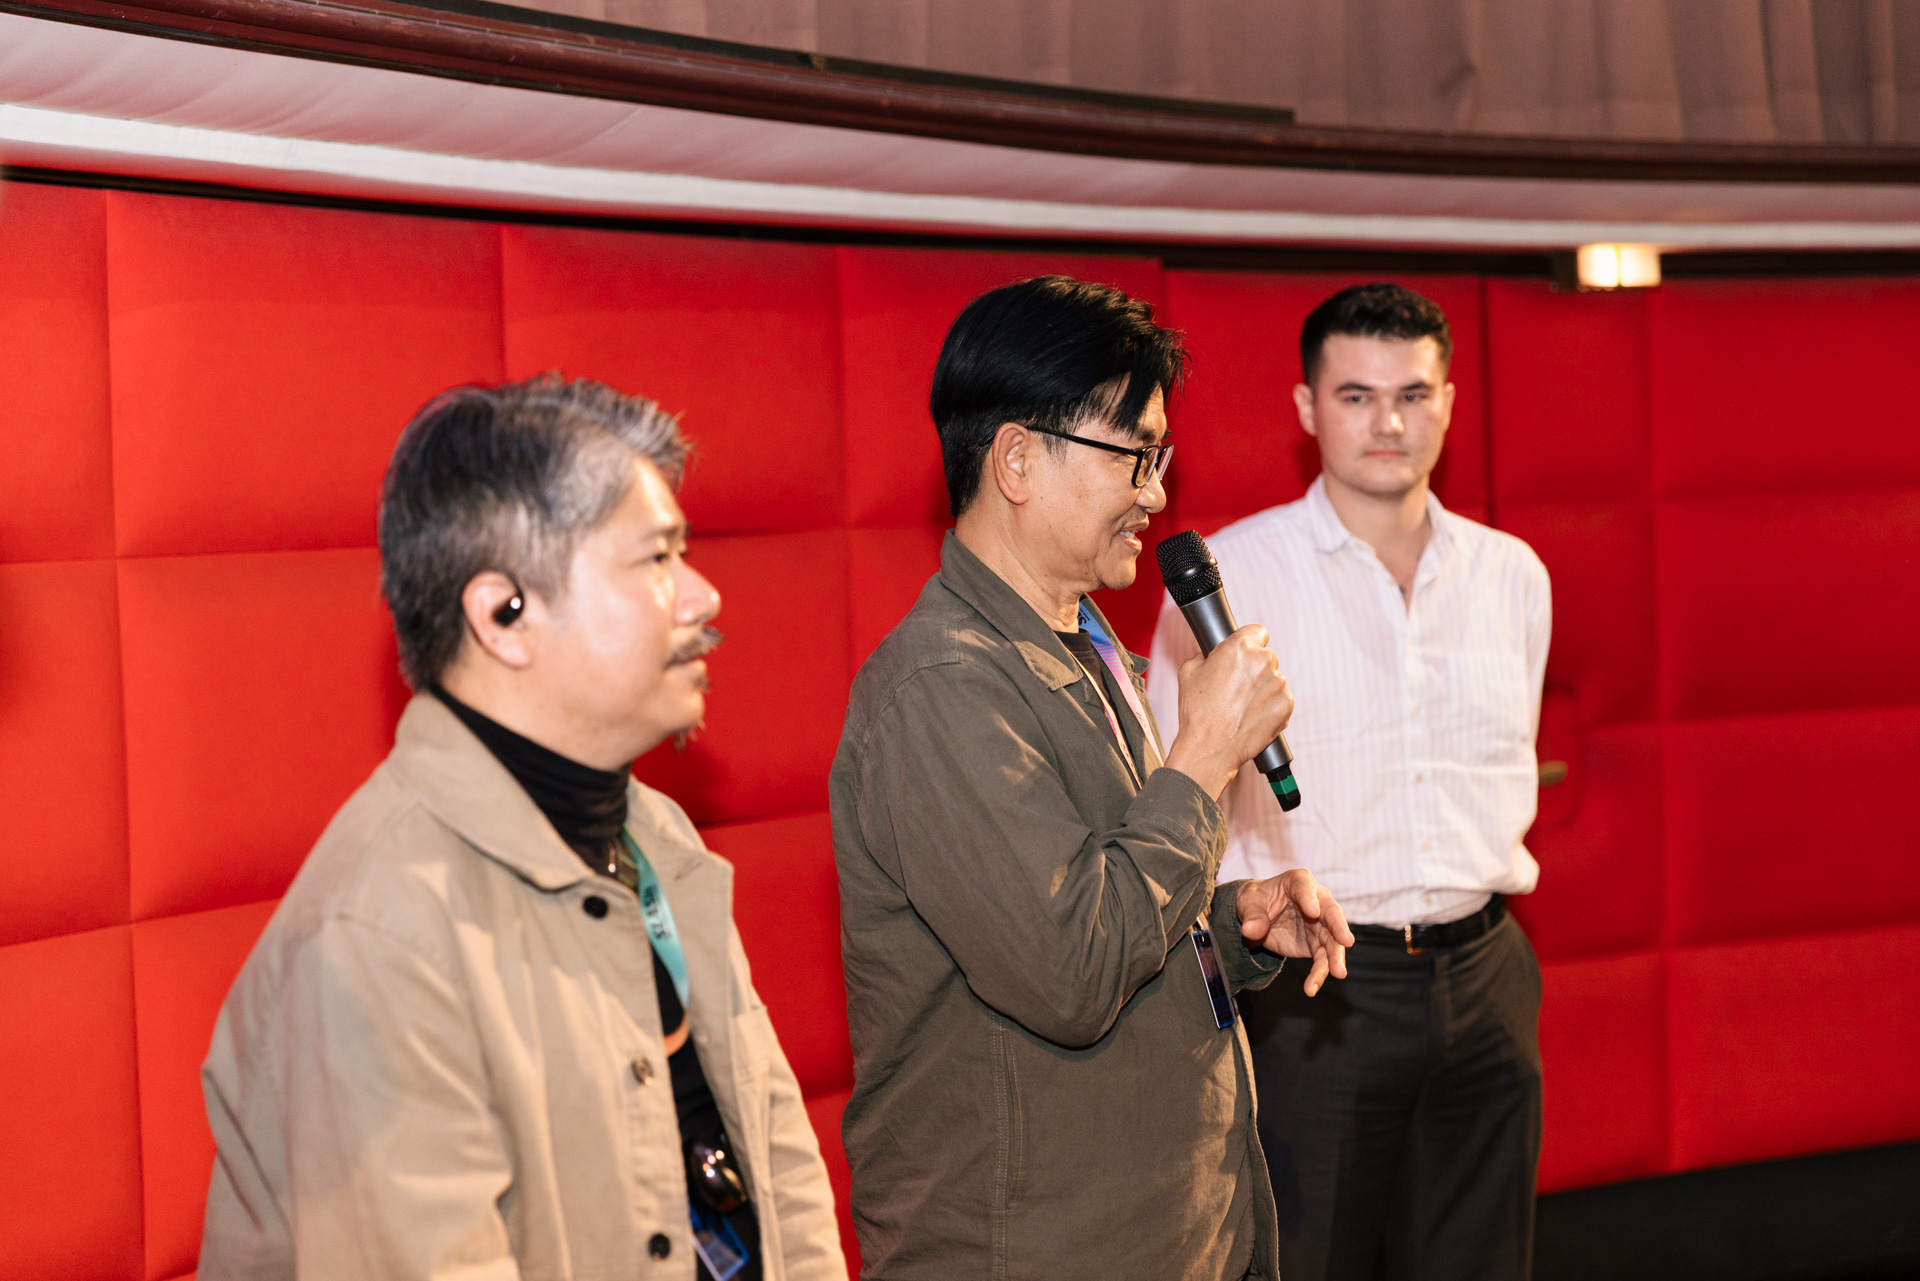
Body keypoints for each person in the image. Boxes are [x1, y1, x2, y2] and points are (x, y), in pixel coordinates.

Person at [198, 375, 846, 1281]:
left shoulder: (655, 834)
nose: (703, 597)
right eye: (657, 559)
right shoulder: (378, 933)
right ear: (504, 613)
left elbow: (777, 1169)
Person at [830, 276, 1355, 1281]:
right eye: (1133, 457)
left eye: (1161, 458)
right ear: (1017, 461)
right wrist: (1205, 753)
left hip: (1170, 1231)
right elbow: (1069, 973)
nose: (1156, 495)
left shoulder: (1083, 640)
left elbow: (1107, 892)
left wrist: (1230, 920)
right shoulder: (942, 686)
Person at [1147, 283, 1551, 1281]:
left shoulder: (1514, 574)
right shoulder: (1231, 580)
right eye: (1358, 396)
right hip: (1316, 987)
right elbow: (1174, 799)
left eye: (1412, 395)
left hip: (1487, 972)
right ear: (1306, 407)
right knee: (1308, 1258)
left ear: (1448, 404)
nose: (1389, 423)